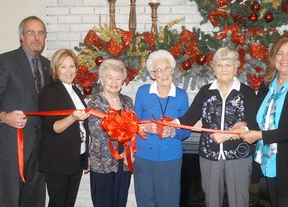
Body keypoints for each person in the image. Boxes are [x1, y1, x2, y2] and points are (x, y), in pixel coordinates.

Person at [176, 47, 259, 207]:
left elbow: (254, 124)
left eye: (228, 65)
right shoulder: (206, 91)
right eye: (219, 65)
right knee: (212, 201)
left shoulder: (247, 92)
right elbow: (188, 118)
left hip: (239, 156)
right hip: (209, 155)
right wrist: (168, 123)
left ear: (236, 68)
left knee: (239, 201)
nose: (224, 69)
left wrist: (228, 135)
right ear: (213, 69)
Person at [0, 16, 50, 207]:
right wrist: (4, 117)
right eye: (31, 32)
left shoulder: (47, 65)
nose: (36, 37)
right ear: (21, 36)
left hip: (39, 151)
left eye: (41, 33)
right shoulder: (6, 61)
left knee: (35, 201)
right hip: (13, 149)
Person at [134, 50, 190, 207]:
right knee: (145, 201)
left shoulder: (181, 95)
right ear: (152, 74)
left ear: (172, 70)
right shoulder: (143, 92)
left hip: (170, 158)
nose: (164, 73)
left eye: (167, 68)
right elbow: (133, 124)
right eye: (159, 70)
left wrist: (173, 131)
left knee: (169, 201)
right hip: (144, 157)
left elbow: (186, 130)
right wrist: (144, 127)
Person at [38, 49, 90, 207]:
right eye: (63, 67)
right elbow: (53, 127)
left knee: (69, 203)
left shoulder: (76, 91)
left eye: (72, 66)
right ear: (55, 69)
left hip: (76, 157)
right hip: (58, 160)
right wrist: (72, 117)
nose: (69, 71)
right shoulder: (49, 92)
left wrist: (86, 154)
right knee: (58, 203)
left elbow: (83, 127)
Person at [241, 35, 288, 207]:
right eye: (280, 53)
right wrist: (245, 125)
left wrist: (259, 135)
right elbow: (258, 119)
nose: (284, 59)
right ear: (273, 57)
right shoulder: (267, 85)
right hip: (269, 162)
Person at [87, 59, 133, 207]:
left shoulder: (128, 102)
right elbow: (98, 131)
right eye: (110, 77)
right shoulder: (94, 103)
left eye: (118, 78)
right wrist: (124, 129)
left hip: (124, 165)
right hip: (102, 165)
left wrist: (131, 150)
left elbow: (133, 130)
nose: (114, 82)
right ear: (102, 80)